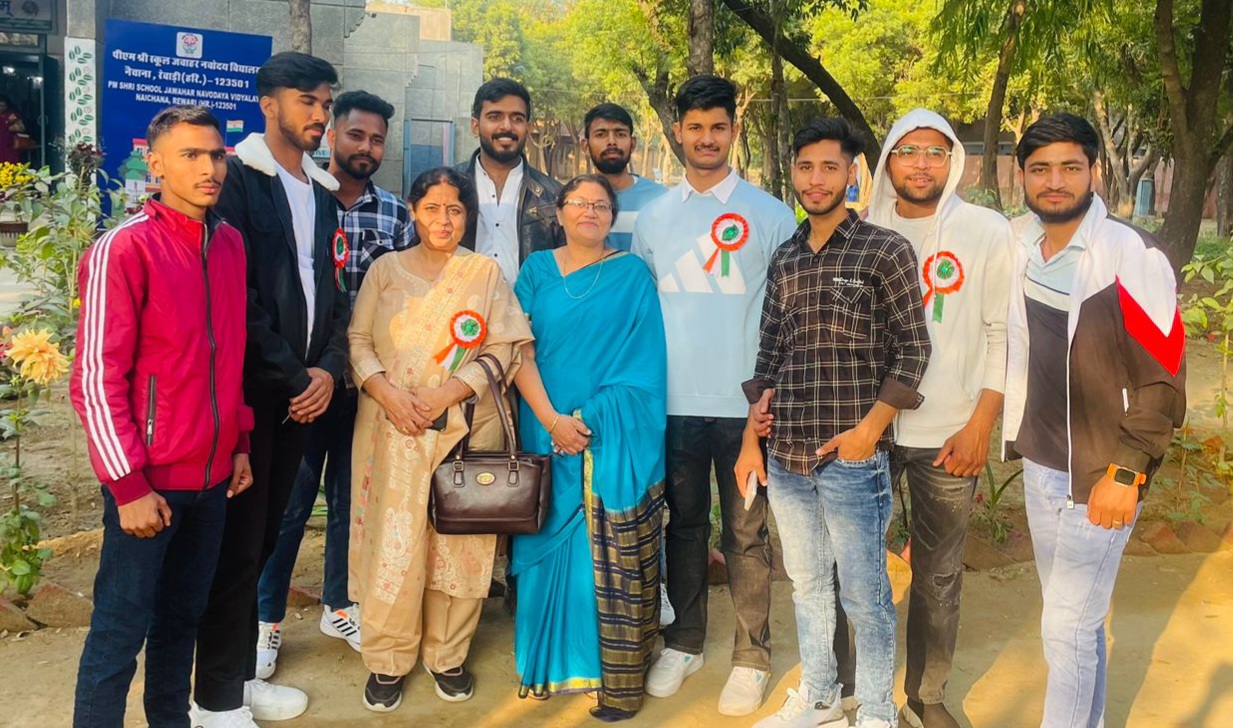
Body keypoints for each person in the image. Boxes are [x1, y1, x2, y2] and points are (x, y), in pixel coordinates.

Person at [737, 117, 932, 728]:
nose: (816, 179)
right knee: (807, 586)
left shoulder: (885, 250)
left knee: (865, 594)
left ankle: (875, 709)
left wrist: (869, 432)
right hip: (787, 457)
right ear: (792, 172)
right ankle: (821, 697)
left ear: (852, 174)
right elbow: (769, 353)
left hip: (853, 458)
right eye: (805, 166)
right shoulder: (787, 257)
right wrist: (751, 438)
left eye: (830, 166)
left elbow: (913, 350)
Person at [70, 106, 253, 728]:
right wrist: (127, 486)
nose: (209, 169)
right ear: (156, 164)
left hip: (212, 479)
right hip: (148, 481)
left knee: (181, 623)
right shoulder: (124, 249)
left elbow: (231, 353)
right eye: (190, 155)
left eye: (216, 155)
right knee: (120, 630)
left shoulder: (229, 244)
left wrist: (240, 440)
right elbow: (95, 379)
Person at [1004, 113, 1185, 728]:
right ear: (1022, 176)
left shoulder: (1129, 254)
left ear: (1095, 172)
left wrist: (1127, 471)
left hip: (1102, 470)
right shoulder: (1019, 244)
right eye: (1040, 169)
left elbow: (1164, 376)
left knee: (1065, 627)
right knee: (1075, 625)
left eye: (1070, 167)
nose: (1055, 181)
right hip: (1042, 465)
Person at [632, 75, 799, 717]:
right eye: (695, 127)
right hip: (674, 404)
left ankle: (752, 656)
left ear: (734, 130)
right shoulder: (654, 218)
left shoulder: (771, 215)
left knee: (746, 533)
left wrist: (769, 399)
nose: (707, 138)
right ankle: (685, 642)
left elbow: (786, 316)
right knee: (683, 526)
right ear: (677, 131)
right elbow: (644, 310)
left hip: (746, 410)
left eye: (718, 127)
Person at [195, 52, 350, 727]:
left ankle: (232, 682)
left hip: (304, 396)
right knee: (235, 547)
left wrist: (329, 370)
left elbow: (335, 293)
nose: (320, 115)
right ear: (268, 104)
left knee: (258, 544)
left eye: (325, 104)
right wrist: (294, 376)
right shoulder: (236, 181)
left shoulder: (322, 192)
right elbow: (237, 298)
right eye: (307, 101)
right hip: (254, 399)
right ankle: (213, 701)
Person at [348, 166, 533, 712]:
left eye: (455, 209)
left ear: (467, 216)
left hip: (464, 429)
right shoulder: (385, 270)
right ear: (413, 211)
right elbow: (358, 340)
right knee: (395, 541)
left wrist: (446, 394)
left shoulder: (483, 273)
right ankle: (387, 659)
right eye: (432, 208)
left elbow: (504, 347)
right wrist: (389, 394)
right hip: (391, 429)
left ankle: (447, 655)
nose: (444, 220)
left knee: (459, 540)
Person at [255, 89, 414, 678]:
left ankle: (340, 604)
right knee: (289, 505)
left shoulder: (396, 214)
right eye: (356, 135)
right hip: (304, 384)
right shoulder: (304, 199)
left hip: (366, 386)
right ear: (332, 133)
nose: (366, 147)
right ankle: (265, 620)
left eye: (377, 140)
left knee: (353, 502)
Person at [861, 109, 1013, 728]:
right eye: (907, 151)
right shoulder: (860, 230)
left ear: (953, 161)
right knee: (852, 564)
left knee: (939, 574)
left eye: (934, 152)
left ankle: (926, 696)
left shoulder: (986, 231)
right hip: (866, 432)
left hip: (949, 434)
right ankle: (850, 689)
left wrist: (981, 424)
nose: (921, 164)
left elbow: (1003, 334)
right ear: (888, 161)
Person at [510, 174, 668, 722]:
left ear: (612, 217)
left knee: (594, 551)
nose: (590, 212)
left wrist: (589, 418)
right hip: (543, 427)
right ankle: (546, 665)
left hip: (604, 435)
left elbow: (645, 365)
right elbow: (518, 351)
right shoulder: (536, 270)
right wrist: (552, 420)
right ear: (559, 212)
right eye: (579, 203)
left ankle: (601, 667)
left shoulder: (632, 275)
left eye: (601, 205)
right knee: (545, 536)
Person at [459, 77, 562, 285]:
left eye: (517, 118)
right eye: (495, 117)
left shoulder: (554, 195)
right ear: (475, 126)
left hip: (528, 304)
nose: (506, 126)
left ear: (528, 127)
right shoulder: (449, 188)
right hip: (460, 303)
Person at [580, 103, 668, 252]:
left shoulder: (660, 199)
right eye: (601, 134)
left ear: (632, 144)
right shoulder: (573, 201)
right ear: (585, 146)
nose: (611, 142)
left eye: (620, 134)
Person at [0, 95, 25, 165]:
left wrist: (9, 126)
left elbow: (22, 128)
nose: (1, 108)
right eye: (0, 106)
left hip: (9, 144)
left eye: (3, 106)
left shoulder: (12, 115)